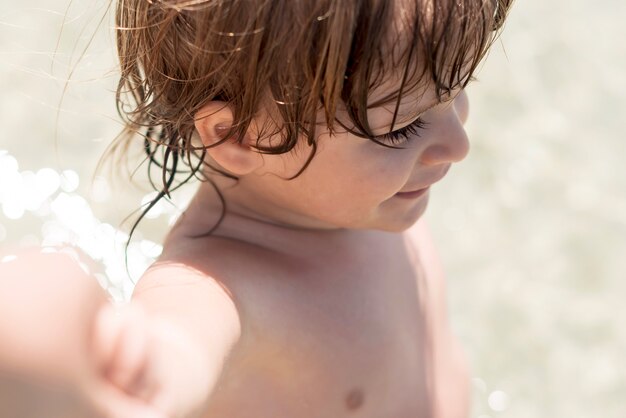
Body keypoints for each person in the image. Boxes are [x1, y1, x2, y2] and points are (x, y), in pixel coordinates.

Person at [0, 0, 513, 416]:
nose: (458, 142)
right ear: (239, 134)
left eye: (457, 88)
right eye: (403, 127)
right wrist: (120, 376)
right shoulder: (222, 289)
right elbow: (175, 351)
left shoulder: (368, 200)